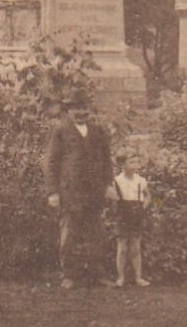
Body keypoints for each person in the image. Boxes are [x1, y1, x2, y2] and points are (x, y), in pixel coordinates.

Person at [44, 95, 114, 288]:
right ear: (69, 110)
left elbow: (107, 159)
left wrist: (108, 184)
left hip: (94, 191)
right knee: (69, 233)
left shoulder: (97, 131)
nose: (82, 113)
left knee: (96, 233)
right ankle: (69, 275)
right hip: (70, 192)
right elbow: (51, 163)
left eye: (85, 108)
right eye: (77, 109)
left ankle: (97, 273)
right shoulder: (60, 131)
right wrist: (52, 192)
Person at [108, 149, 152, 288]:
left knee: (135, 247)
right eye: (131, 162)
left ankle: (138, 277)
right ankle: (121, 278)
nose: (135, 164)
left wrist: (142, 207)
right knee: (122, 248)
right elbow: (112, 199)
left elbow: (148, 196)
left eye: (136, 162)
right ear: (122, 165)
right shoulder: (116, 181)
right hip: (123, 214)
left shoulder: (141, 180)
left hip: (136, 214)